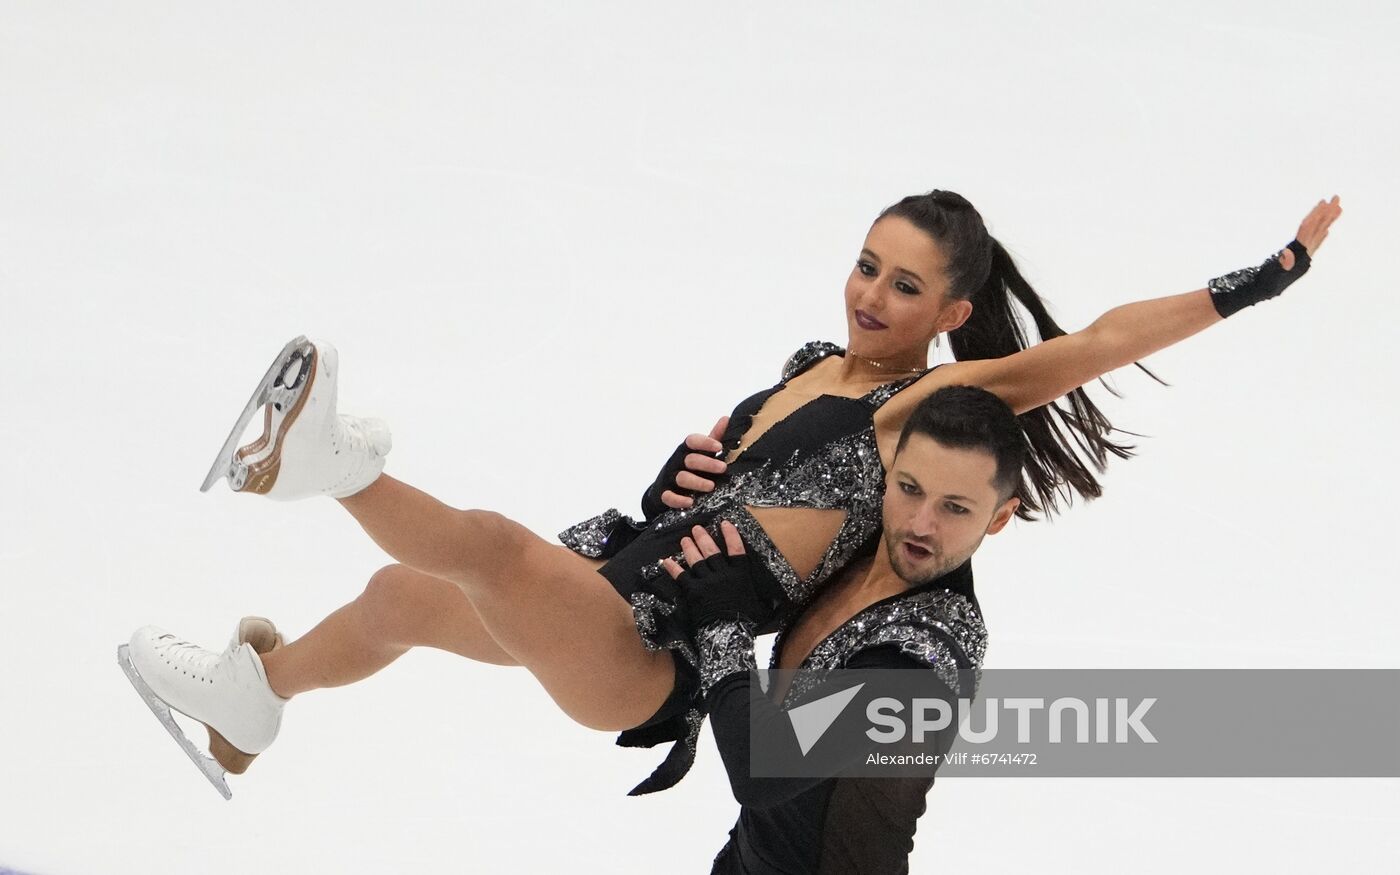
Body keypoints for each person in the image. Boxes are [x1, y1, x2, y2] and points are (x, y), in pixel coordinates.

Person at [117, 190, 1342, 799]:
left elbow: (1091, 344)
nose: (869, 295)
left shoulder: (918, 412)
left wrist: (1259, 279)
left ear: (950, 318)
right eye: (866, 264)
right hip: (621, 575)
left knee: (483, 547)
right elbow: (704, 498)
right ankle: (253, 700)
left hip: (645, 656)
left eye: (904, 287)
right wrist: (679, 479)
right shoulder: (803, 367)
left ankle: (324, 465)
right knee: (398, 592)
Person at [669, 383, 1019, 874]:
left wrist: (723, 622)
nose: (920, 524)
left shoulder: (924, 658)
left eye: (955, 508)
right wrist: (682, 492)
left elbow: (764, 766)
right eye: (910, 488)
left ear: (1000, 516)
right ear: (887, 473)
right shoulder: (855, 543)